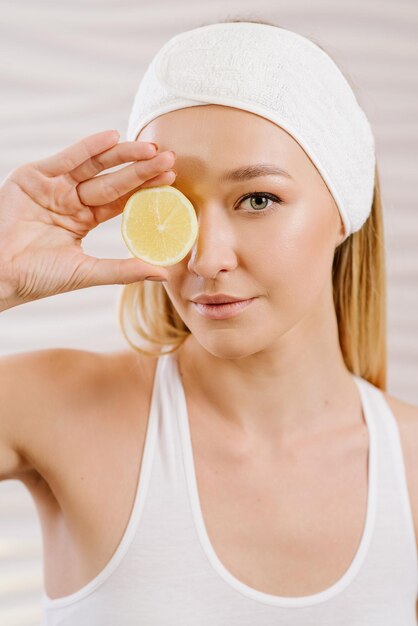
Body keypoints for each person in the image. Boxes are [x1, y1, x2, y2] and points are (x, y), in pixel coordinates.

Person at [0, 17, 417, 626]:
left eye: (258, 200)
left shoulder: (410, 468)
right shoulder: (55, 409)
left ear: (343, 208)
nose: (207, 257)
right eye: (175, 206)